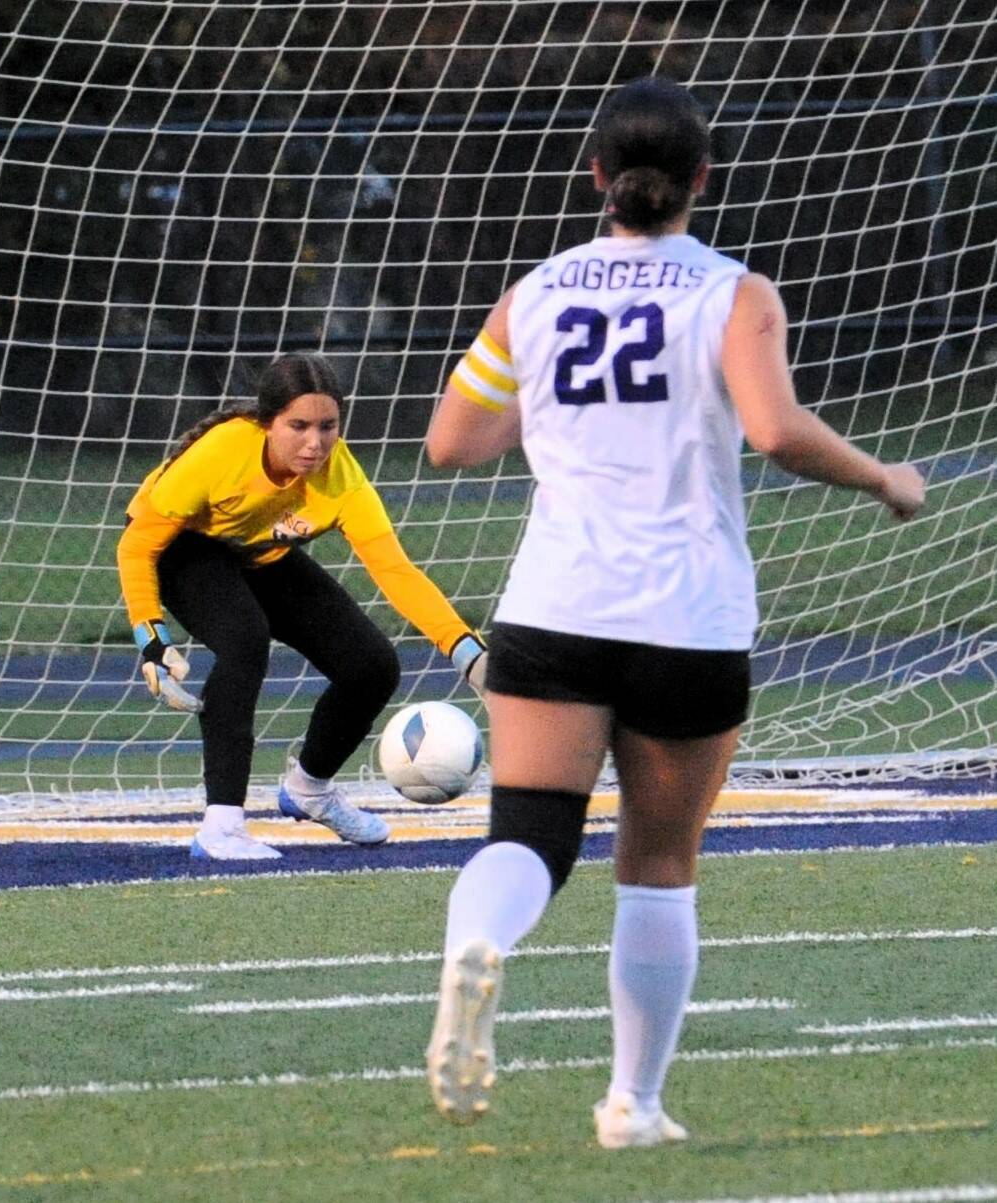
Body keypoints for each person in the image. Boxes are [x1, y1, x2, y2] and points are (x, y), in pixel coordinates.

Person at [423, 76, 925, 1147]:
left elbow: (453, 442)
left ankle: (478, 941)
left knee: (531, 833)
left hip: (554, 609)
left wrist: (562, 414)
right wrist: (885, 477)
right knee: (658, 865)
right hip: (684, 619)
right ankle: (632, 1107)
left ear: (596, 175)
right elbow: (777, 431)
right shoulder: (732, 291)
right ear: (701, 177)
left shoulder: (538, 292)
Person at [117, 352, 486, 860]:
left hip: (259, 555)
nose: (314, 443)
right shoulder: (221, 452)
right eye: (298, 426)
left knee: (372, 667)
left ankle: (310, 788)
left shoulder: (343, 478)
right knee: (245, 641)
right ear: (267, 422)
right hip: (186, 549)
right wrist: (150, 637)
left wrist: (467, 652)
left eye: (327, 426)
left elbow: (395, 570)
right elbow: (137, 546)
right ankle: (221, 827)